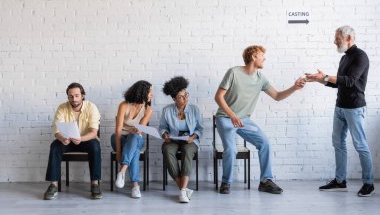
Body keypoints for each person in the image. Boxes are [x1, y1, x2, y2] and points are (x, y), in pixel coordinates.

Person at [214, 45, 305, 194]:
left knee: (265, 143)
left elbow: (277, 96)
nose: (265, 58)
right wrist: (232, 115)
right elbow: (218, 97)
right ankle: (226, 182)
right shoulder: (233, 72)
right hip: (226, 118)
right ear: (253, 57)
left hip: (244, 121)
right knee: (231, 149)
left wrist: (294, 88)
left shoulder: (260, 78)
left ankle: (265, 181)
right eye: (262, 55)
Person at [305, 26, 375, 197]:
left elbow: (350, 81)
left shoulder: (361, 56)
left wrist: (326, 77)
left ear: (349, 37)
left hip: (355, 108)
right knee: (338, 143)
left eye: (337, 38)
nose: (334, 41)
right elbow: (338, 83)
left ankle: (368, 183)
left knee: (360, 145)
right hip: (340, 107)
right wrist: (318, 80)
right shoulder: (344, 58)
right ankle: (340, 181)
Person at [44, 82, 102, 200]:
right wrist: (62, 138)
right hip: (68, 140)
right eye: (71, 96)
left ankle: (95, 184)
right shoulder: (62, 108)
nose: (74, 99)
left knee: (95, 146)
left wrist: (81, 139)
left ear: (82, 96)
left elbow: (93, 132)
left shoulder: (92, 107)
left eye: (76, 95)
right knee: (55, 146)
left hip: (86, 140)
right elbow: (56, 131)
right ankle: (53, 185)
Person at [159, 76, 203, 203]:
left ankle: (182, 190)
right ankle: (184, 190)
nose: (185, 98)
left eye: (186, 95)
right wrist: (165, 135)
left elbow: (200, 128)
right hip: (173, 140)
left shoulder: (194, 109)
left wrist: (193, 137)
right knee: (167, 150)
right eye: (180, 96)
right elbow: (162, 127)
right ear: (174, 99)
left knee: (188, 151)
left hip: (190, 140)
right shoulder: (167, 110)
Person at [111, 80, 153, 198]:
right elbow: (118, 129)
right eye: (150, 92)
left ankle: (122, 171)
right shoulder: (124, 105)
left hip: (135, 138)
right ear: (142, 92)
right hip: (120, 138)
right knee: (133, 151)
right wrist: (119, 152)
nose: (151, 95)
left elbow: (140, 128)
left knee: (134, 138)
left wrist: (137, 129)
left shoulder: (148, 110)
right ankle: (135, 186)